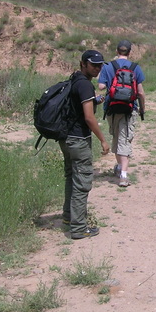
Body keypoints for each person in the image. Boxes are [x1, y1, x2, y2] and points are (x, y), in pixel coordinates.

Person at [60, 50, 110, 239]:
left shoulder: (74, 79)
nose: (97, 69)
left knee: (71, 177)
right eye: (93, 65)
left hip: (66, 138)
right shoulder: (85, 86)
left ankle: (68, 217)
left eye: (99, 65)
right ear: (83, 64)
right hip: (79, 140)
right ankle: (79, 227)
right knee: (82, 183)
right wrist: (103, 140)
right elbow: (89, 118)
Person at [98, 39, 146, 187]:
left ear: (117, 51)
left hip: (111, 108)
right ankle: (124, 175)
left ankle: (119, 168)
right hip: (129, 108)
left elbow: (100, 87)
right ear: (130, 52)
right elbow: (140, 93)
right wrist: (142, 109)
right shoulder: (135, 67)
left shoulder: (108, 67)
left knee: (117, 137)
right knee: (125, 140)